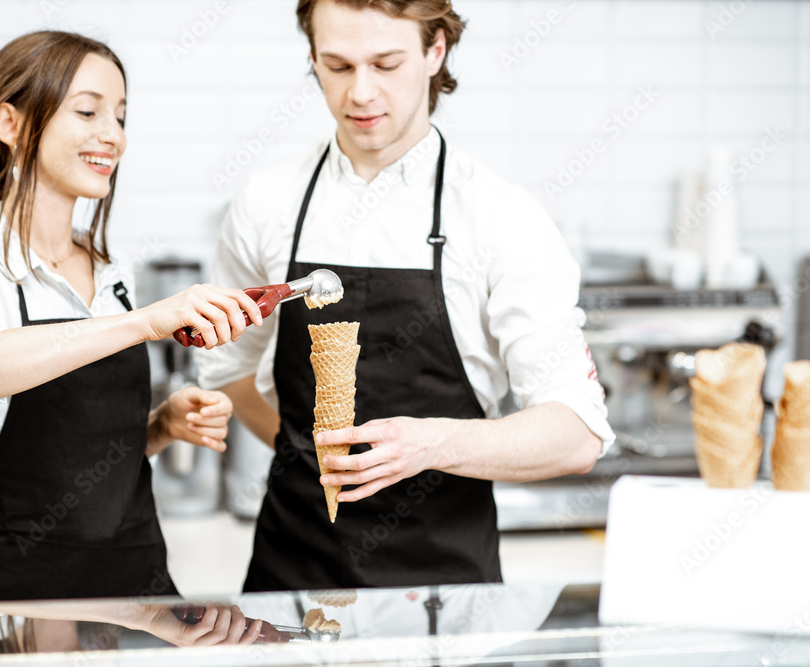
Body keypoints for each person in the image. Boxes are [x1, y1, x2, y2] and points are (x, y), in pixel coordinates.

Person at [197, 0, 615, 592]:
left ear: (434, 52)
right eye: (337, 66)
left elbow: (576, 433)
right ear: (313, 59)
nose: (360, 93)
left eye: (386, 64)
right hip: (289, 579)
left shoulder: (500, 217)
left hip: (443, 589)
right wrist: (308, 451)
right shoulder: (267, 204)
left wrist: (429, 444)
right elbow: (229, 369)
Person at [0, 30, 263, 608]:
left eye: (120, 116)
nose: (113, 136)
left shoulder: (107, 269)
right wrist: (145, 322)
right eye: (88, 111)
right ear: (11, 124)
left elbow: (86, 464)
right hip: (21, 600)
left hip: (140, 590)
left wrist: (158, 427)